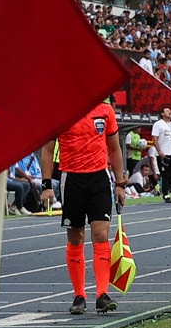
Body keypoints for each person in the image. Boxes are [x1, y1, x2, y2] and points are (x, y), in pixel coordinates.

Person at [53, 99, 128, 315]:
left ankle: (102, 294)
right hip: (72, 179)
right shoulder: (61, 111)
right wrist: (47, 184)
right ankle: (79, 295)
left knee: (100, 234)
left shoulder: (105, 110)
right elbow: (48, 151)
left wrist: (120, 183)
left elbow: (114, 149)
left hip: (99, 179)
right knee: (76, 237)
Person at [149, 107, 171, 203]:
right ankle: (166, 194)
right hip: (163, 153)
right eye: (167, 111)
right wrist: (159, 151)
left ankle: (168, 185)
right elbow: (154, 138)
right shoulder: (158, 124)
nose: (169, 112)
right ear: (162, 114)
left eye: (170, 111)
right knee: (165, 174)